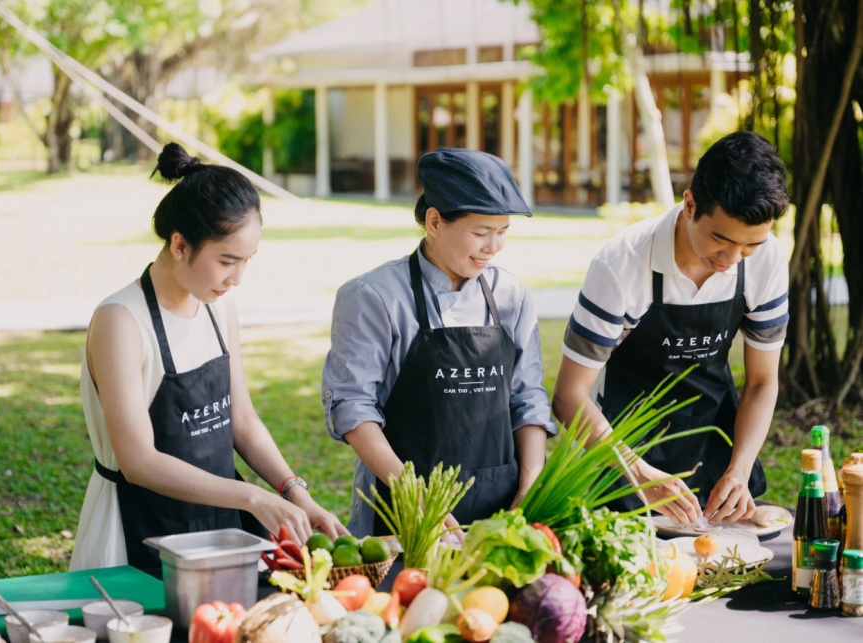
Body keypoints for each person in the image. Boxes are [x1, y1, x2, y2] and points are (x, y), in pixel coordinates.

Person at [71, 143, 347, 572]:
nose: (237, 278)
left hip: (221, 521)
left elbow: (242, 420)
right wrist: (253, 497)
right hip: (138, 526)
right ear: (180, 246)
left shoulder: (219, 307)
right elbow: (138, 461)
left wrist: (296, 492)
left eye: (246, 261)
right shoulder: (121, 322)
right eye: (227, 261)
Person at [553, 131, 789, 525]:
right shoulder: (623, 263)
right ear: (690, 203)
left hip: (714, 438)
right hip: (619, 445)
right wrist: (639, 474)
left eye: (749, 246)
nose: (731, 259)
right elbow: (568, 395)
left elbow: (763, 382)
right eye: (720, 239)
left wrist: (739, 470)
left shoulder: (767, 261)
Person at [321, 148, 557, 538]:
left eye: (502, 233)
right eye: (481, 233)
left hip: (501, 508)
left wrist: (532, 480)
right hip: (400, 508)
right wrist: (413, 493)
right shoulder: (373, 296)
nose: (493, 247)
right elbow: (351, 406)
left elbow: (527, 397)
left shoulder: (511, 295)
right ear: (434, 221)